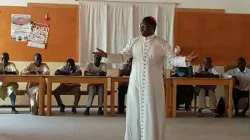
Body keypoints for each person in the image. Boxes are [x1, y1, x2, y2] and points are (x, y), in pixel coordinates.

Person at [94, 16, 197, 140]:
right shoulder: (134, 42)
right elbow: (122, 56)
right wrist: (106, 55)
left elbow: (171, 59)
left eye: (146, 26)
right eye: (141, 26)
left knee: (151, 113)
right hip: (136, 84)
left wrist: (184, 60)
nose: (142, 29)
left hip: (153, 85)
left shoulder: (162, 43)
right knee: (135, 113)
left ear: (153, 28)